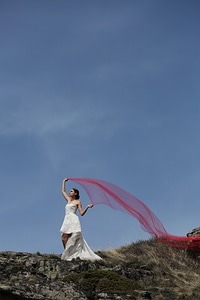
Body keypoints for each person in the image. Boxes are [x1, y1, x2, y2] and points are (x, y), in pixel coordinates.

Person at [60, 178, 102, 261]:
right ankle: (67, 254)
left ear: (75, 193)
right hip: (67, 219)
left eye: (71, 191)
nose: (70, 192)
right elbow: (63, 192)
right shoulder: (68, 200)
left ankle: (67, 255)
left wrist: (87, 207)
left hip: (73, 219)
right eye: (70, 191)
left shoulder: (78, 202)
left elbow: (81, 213)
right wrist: (64, 181)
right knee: (63, 238)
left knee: (72, 237)